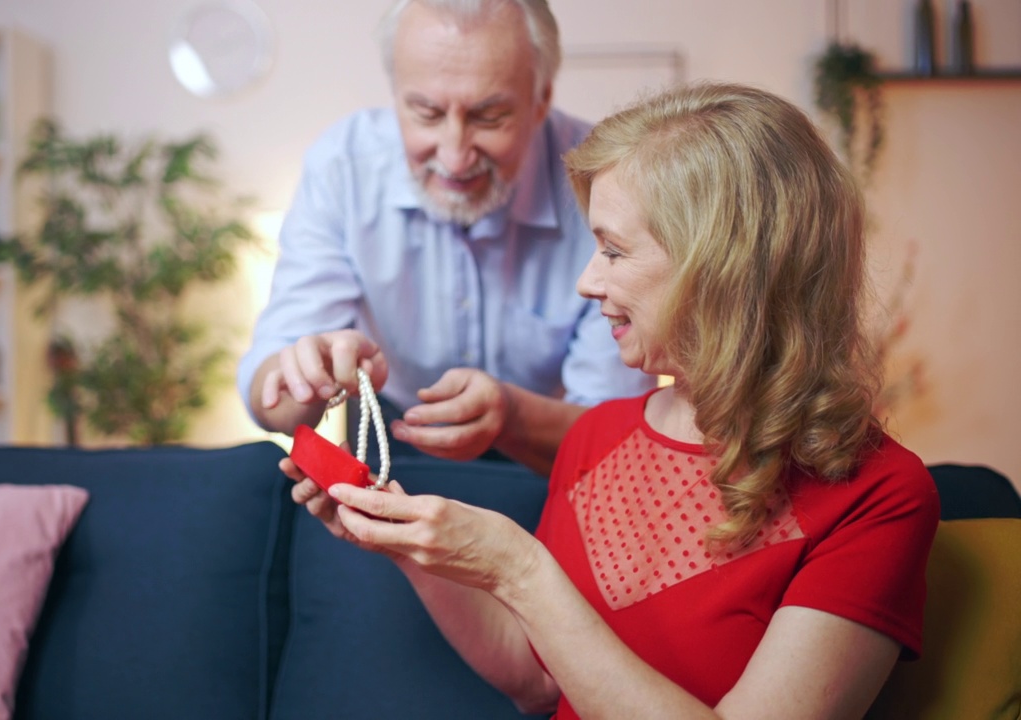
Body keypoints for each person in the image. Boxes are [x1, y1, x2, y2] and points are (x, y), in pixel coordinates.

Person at [281, 81, 941, 717]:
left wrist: (519, 570)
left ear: (723, 272)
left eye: (614, 251)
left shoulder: (880, 496)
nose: (586, 282)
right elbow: (539, 681)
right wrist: (407, 541)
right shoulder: (598, 436)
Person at [237, 0, 655, 474]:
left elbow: (615, 432)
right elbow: (269, 395)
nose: (455, 158)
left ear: (542, 100)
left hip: (556, 451)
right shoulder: (342, 167)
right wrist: (302, 377)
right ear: (395, 97)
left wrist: (511, 416)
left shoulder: (605, 184)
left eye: (489, 117)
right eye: (427, 114)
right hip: (393, 447)